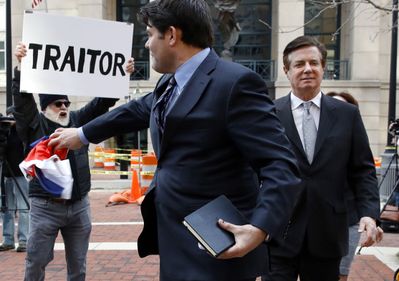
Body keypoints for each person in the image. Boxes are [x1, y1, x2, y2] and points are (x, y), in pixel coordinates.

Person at [48, 1, 302, 280]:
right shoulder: (168, 84)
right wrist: (82, 134)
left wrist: (259, 228)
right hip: (175, 241)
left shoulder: (236, 84)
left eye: (148, 34)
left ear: (171, 35)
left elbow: (280, 165)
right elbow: (135, 110)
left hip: (216, 247)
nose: (146, 45)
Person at [262, 36, 382, 281]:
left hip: (327, 233)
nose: (307, 69)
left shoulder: (347, 115)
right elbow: (256, 170)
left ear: (323, 67)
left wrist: (369, 214)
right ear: (286, 70)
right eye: (299, 64)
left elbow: (363, 170)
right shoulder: (269, 114)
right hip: (278, 231)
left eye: (313, 62)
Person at [13, 42, 133, 280]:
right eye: (58, 104)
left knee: (78, 267)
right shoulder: (35, 124)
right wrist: (20, 67)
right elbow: (22, 102)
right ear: (46, 107)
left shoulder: (78, 120)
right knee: (35, 263)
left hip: (79, 207)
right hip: (45, 208)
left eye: (66, 103)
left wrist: (121, 75)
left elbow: (101, 104)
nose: (64, 107)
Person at [325, 91, 362, 281]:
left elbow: (364, 175)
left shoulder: (353, 139)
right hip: (317, 219)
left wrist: (369, 216)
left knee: (341, 273)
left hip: (348, 217)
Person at [0, 106, 30, 252]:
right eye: (8, 116)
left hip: (20, 174)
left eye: (13, 116)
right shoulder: (3, 132)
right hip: (7, 174)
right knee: (7, 209)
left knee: (24, 208)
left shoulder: (22, 132)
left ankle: (24, 240)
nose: (10, 119)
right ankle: (8, 240)